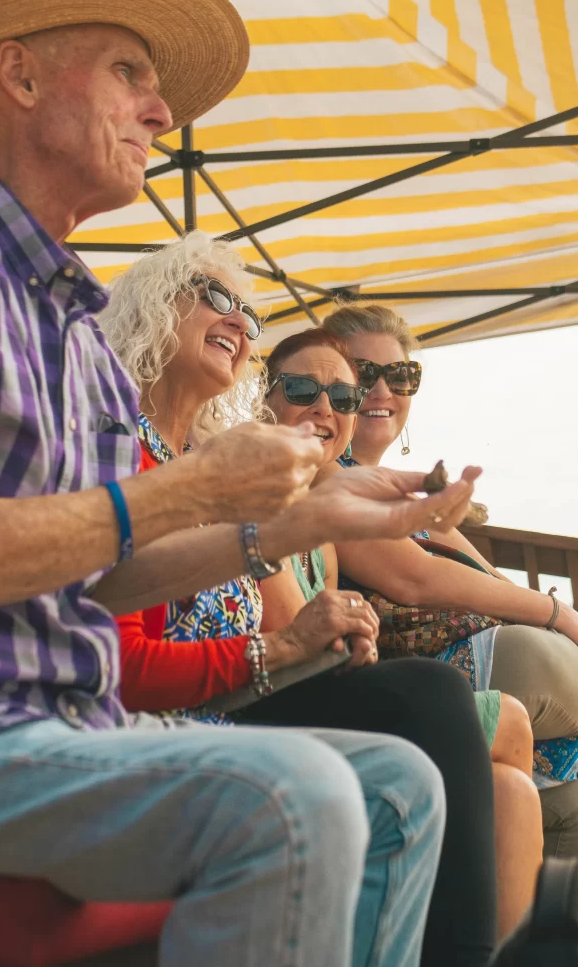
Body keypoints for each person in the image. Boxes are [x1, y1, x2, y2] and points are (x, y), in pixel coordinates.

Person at [0, 0, 476, 966]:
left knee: (399, 786)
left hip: (62, 726)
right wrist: (196, 485)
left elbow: (104, 576)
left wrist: (297, 524)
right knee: (294, 801)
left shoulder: (79, 335)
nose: (161, 112)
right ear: (21, 77)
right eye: (129, 71)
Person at [102, 231, 508, 963]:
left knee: (435, 712)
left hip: (236, 694)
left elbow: (277, 605)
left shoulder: (212, 464)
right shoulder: (111, 448)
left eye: (248, 314)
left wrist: (316, 625)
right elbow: (122, 655)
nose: (239, 321)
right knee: (433, 699)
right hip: (185, 711)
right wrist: (286, 643)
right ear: (154, 309)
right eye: (216, 297)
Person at [261, 325, 543, 941]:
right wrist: (555, 613)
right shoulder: (265, 497)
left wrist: (351, 636)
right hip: (269, 700)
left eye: (341, 396)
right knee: (471, 700)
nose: (325, 408)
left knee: (512, 792)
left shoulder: (322, 507)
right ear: (265, 400)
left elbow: (334, 614)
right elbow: (288, 637)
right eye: (303, 388)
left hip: (325, 684)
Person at [322, 302, 578, 860]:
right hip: (420, 674)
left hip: (488, 661)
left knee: (572, 801)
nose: (384, 389)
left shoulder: (411, 500)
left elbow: (489, 579)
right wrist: (560, 616)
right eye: (366, 374)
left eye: (402, 374)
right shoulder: (322, 475)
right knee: (547, 655)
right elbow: (414, 578)